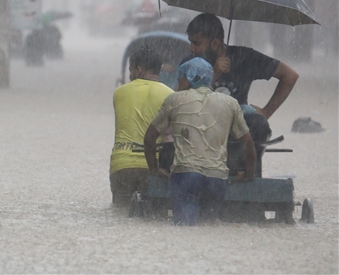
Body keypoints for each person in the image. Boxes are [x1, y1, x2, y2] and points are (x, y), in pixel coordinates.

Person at [144, 58, 256, 226]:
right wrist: (248, 174)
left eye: (180, 78)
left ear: (189, 78)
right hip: (216, 179)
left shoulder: (174, 100)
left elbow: (149, 138)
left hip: (186, 176)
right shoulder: (230, 103)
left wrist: (154, 168)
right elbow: (248, 144)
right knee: (208, 227)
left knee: (185, 229)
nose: (178, 82)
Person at [185, 13, 299, 143]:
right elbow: (185, 102)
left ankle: (252, 161)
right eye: (190, 42)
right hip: (202, 122)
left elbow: (290, 76)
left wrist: (266, 112)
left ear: (215, 43)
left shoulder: (244, 57)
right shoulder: (190, 63)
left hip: (238, 126)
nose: (191, 48)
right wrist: (214, 74)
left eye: (196, 43)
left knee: (259, 124)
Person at [109, 47, 173, 207]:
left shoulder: (119, 93)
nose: (130, 76)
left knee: (120, 218)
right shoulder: (171, 95)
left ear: (138, 70)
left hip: (122, 165)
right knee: (153, 220)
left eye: (131, 71)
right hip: (154, 166)